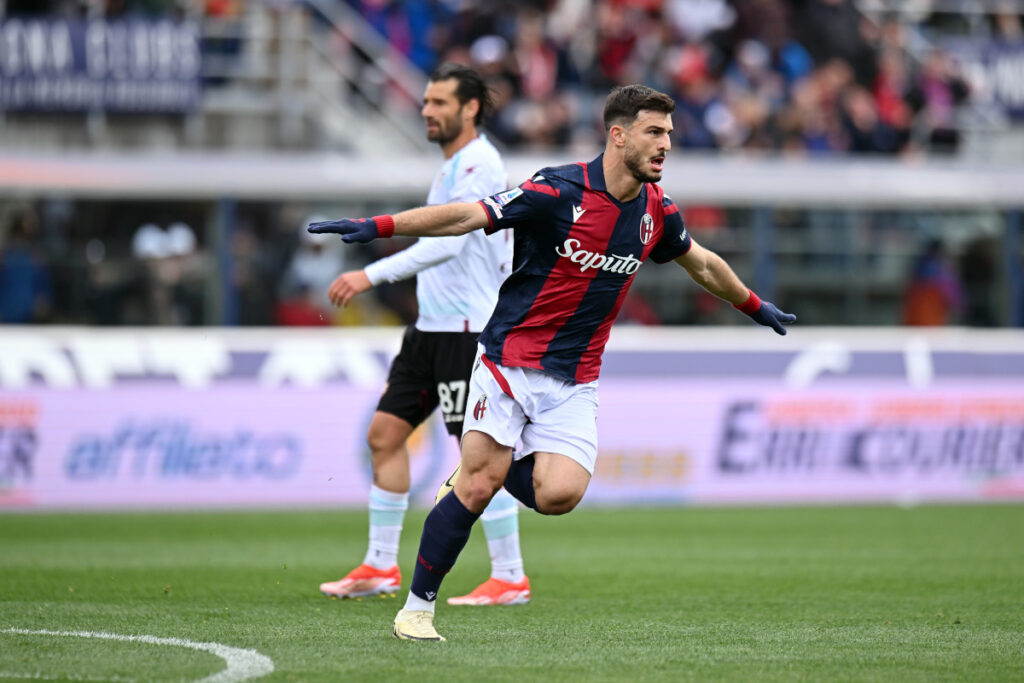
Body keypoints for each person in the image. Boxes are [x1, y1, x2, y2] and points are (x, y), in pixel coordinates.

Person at [309, 84, 797, 641]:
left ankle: (475, 469)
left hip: (576, 379)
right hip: (509, 361)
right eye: (654, 132)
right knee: (479, 484)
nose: (667, 144)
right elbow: (467, 216)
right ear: (618, 135)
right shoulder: (557, 189)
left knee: (559, 495)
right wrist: (380, 227)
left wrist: (754, 306)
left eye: (669, 133)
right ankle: (416, 610)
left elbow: (703, 265)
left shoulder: (656, 212)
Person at [317, 63, 531, 607]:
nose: (426, 110)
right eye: (427, 101)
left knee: (478, 457)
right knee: (384, 436)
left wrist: (372, 271)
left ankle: (509, 575)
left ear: (471, 108)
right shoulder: (451, 167)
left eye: (438, 102)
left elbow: (450, 241)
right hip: (429, 330)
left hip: (466, 331)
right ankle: (380, 566)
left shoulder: (480, 164)